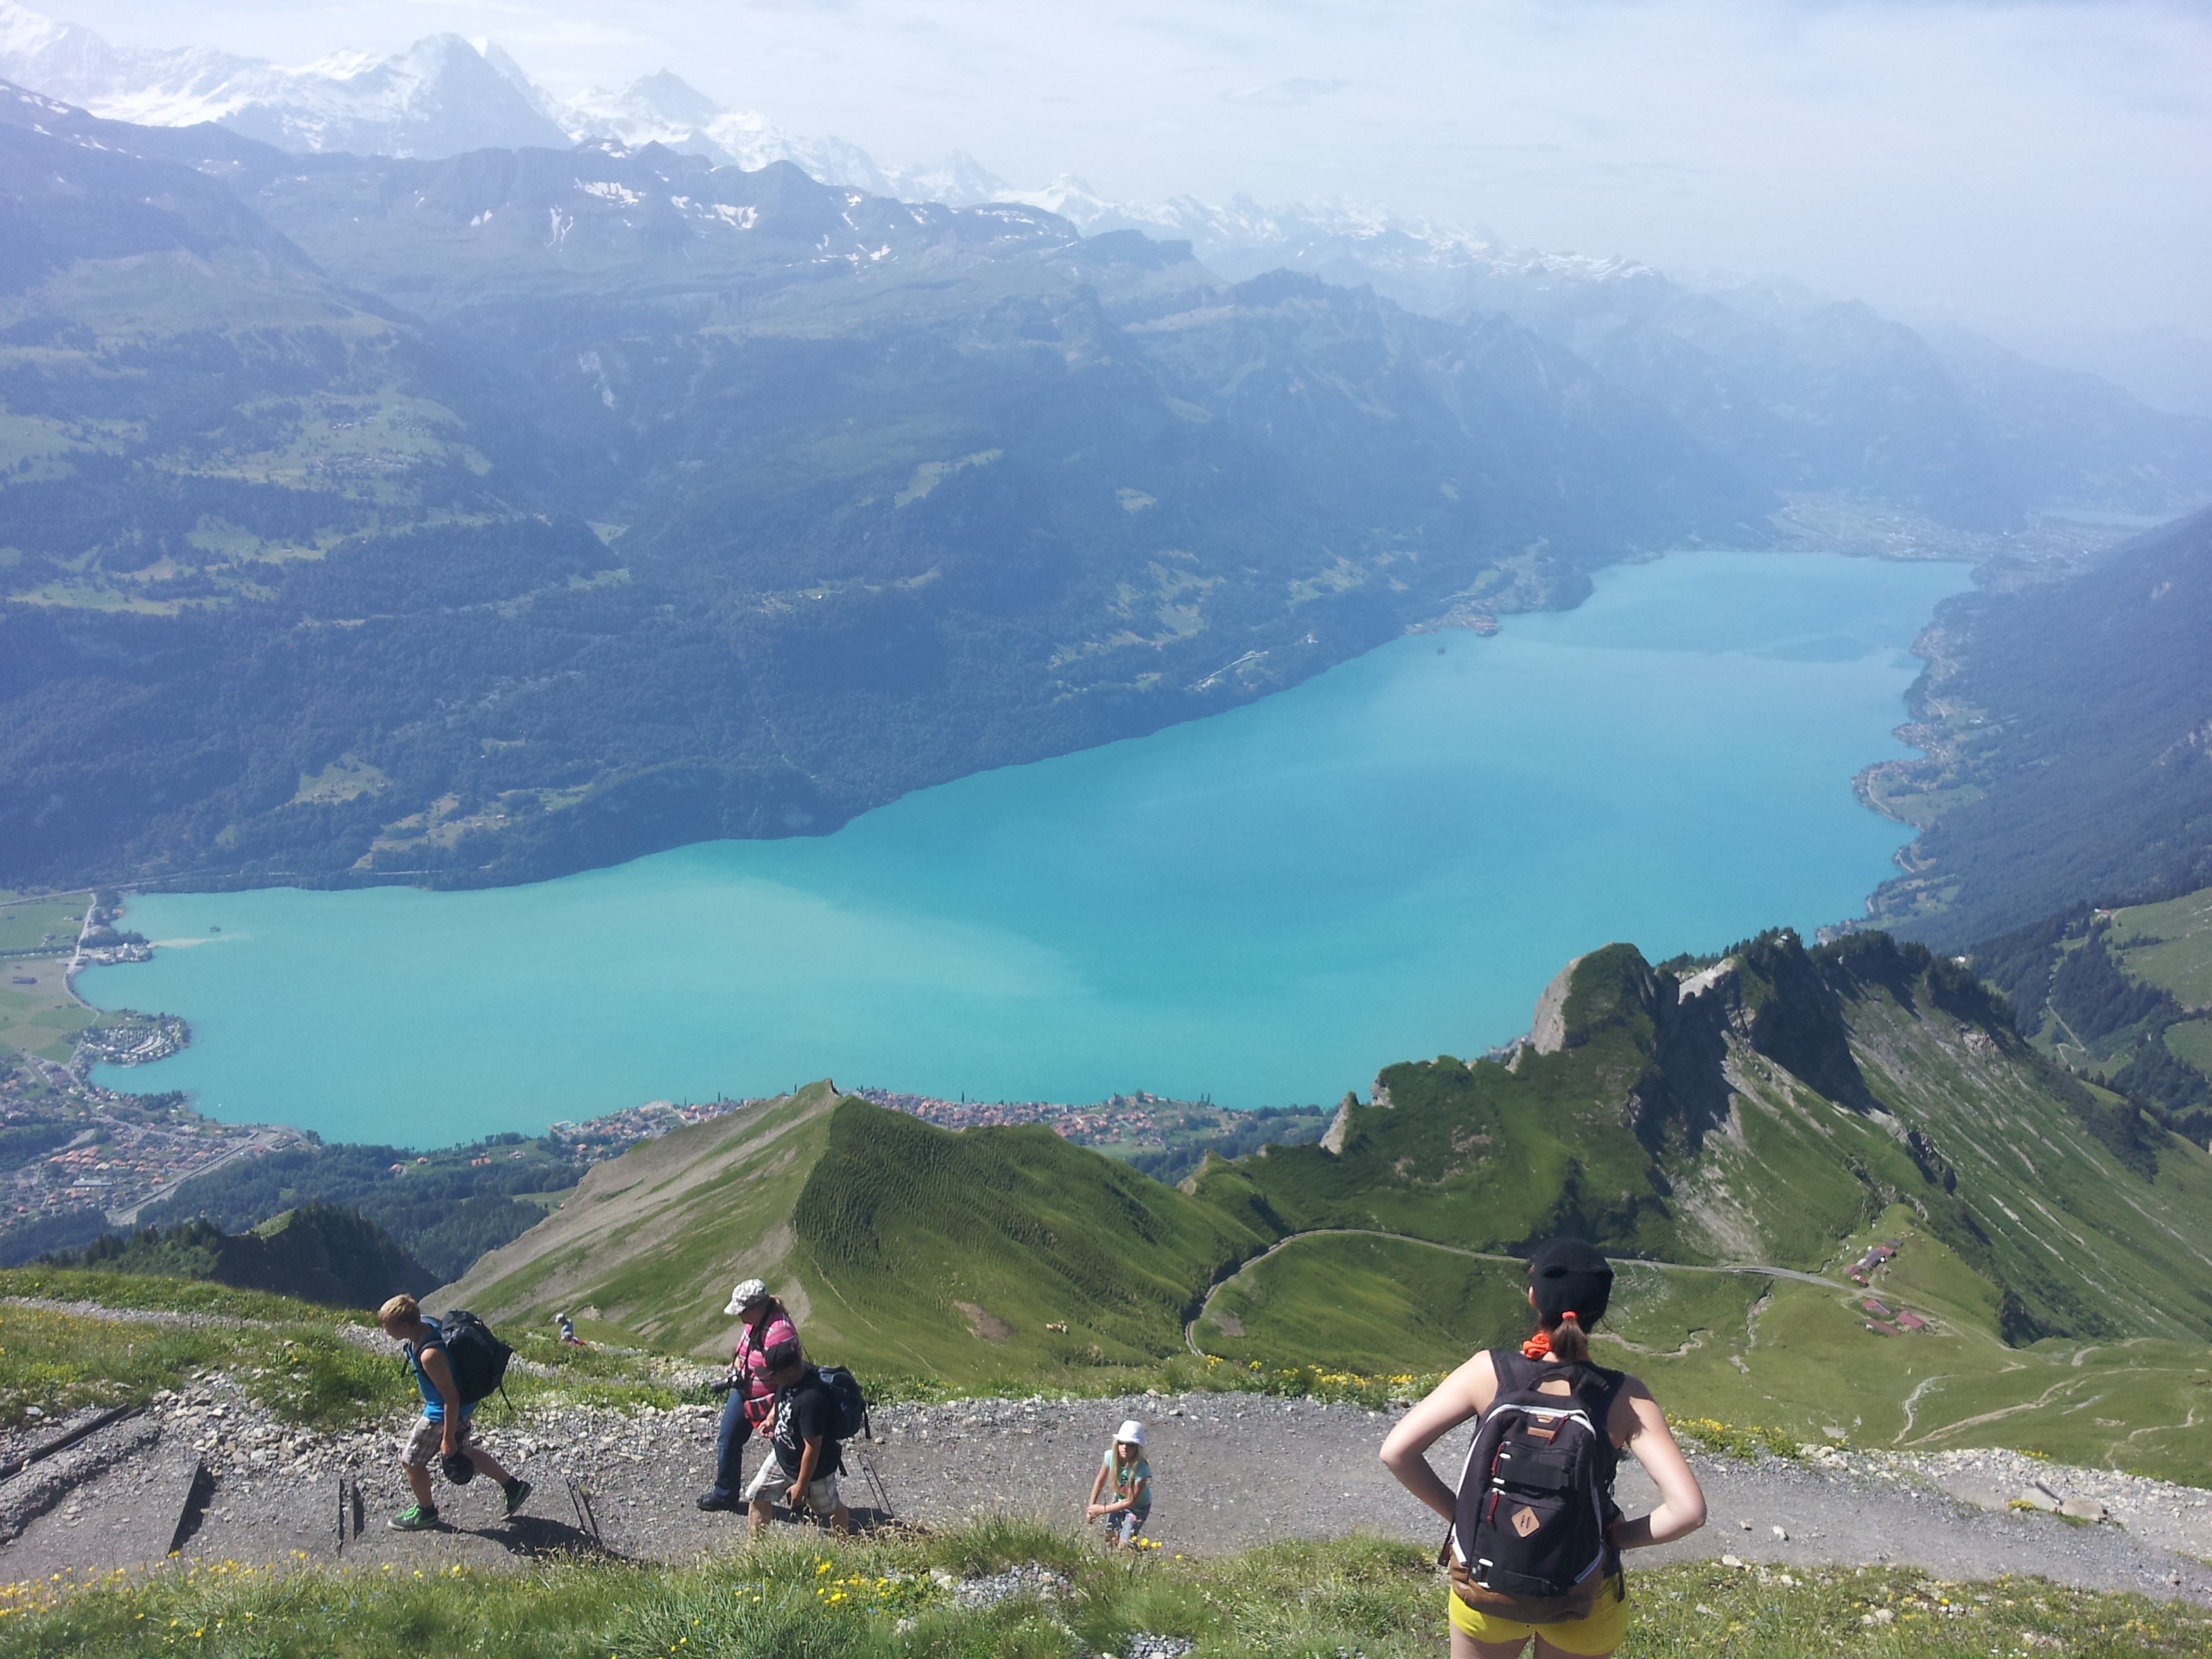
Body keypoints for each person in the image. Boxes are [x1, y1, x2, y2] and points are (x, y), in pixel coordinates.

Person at [1379, 1240, 1706, 1659]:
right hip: (1584, 1595)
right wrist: (1615, 1538)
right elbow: (1688, 1512)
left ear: (1535, 1298)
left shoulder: (1488, 1371)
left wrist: (1467, 1517)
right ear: (1600, 1312)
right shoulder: (1625, 1396)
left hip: (1486, 1583)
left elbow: (1397, 1452)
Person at [377, 1294, 532, 1532]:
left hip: (441, 1414)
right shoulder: (426, 1322)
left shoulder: (430, 1354)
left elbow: (451, 1397)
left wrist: (447, 1438)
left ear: (405, 1326)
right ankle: (513, 1487)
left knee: (410, 1462)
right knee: (465, 1451)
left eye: (388, 1327)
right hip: (461, 1409)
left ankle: (426, 1512)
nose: (386, 1332)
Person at [697, 1279, 800, 1511]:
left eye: (742, 1311)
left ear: (757, 1307)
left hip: (773, 1400)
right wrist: (735, 1366)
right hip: (745, 1392)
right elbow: (742, 1349)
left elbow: (789, 1378)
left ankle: (803, 1494)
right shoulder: (753, 1322)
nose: (739, 1316)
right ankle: (725, 1493)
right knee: (728, 1440)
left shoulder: (779, 1333)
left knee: (787, 1449)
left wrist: (774, 1414)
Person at [745, 1340, 851, 1540]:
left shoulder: (812, 1399)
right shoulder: (791, 1379)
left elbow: (813, 1446)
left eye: (773, 1374)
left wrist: (801, 1487)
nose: (771, 1379)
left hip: (814, 1470)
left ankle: (844, 1541)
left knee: (829, 1510)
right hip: (782, 1456)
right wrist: (771, 1418)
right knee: (757, 1494)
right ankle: (754, 1548)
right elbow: (782, 1395)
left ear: (788, 1371)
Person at [1084, 1418, 1151, 1547]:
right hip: (1119, 1501)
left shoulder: (1141, 1470)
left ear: (1137, 1448)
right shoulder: (1110, 1457)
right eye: (1122, 1443)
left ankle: (1134, 1555)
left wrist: (1102, 1510)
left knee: (1124, 1543)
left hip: (1138, 1507)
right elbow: (1100, 1481)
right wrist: (1091, 1508)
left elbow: (1131, 1501)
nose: (1125, 1447)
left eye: (1130, 1444)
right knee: (1110, 1538)